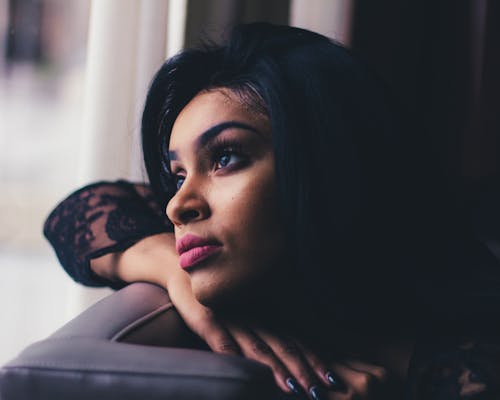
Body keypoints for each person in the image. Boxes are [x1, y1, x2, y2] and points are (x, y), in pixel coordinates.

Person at [44, 23, 500, 399]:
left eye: (225, 158)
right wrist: (175, 275)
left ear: (327, 164)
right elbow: (74, 214)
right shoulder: (260, 292)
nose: (177, 205)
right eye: (179, 174)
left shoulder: (470, 367)